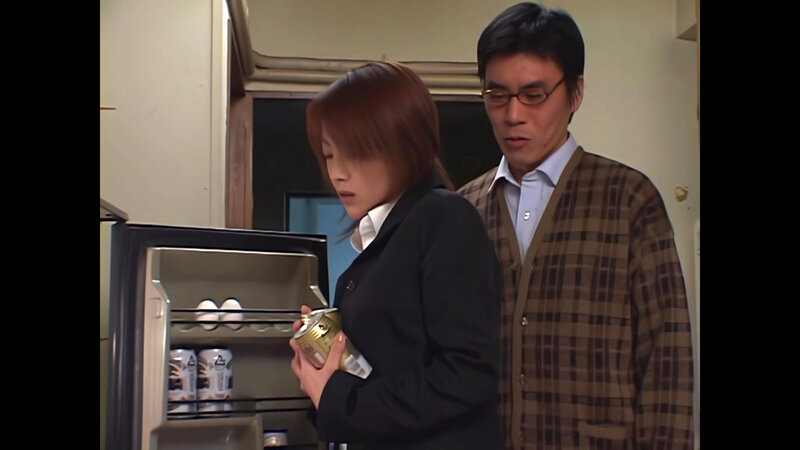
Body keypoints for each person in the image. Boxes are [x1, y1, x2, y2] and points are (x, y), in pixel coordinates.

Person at [457, 3, 695, 449]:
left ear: (575, 94)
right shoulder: (463, 210)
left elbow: (667, 359)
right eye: (497, 95)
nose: (513, 115)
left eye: (534, 95)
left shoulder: (628, 199)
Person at [288, 61, 504, 450]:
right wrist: (326, 367)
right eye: (330, 156)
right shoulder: (381, 242)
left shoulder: (444, 218)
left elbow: (467, 376)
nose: (338, 173)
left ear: (404, 146)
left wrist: (340, 401)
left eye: (354, 154)